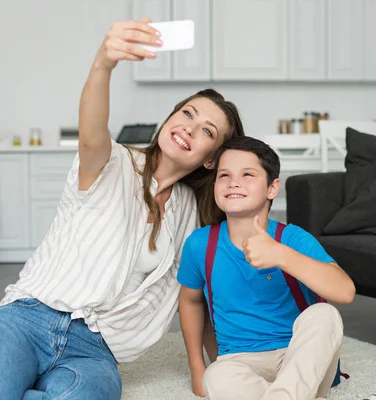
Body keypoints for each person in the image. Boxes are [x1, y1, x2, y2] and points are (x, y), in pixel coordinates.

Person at [0, 18, 244, 399]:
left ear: (211, 160)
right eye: (187, 114)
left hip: (94, 351)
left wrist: (221, 370)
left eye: (208, 131)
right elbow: (92, 132)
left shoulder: (192, 219)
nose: (190, 128)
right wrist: (104, 63)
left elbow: (202, 296)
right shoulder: (113, 163)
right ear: (171, 118)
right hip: (27, 318)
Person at [177, 136, 357, 399]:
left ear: (272, 188)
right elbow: (190, 302)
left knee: (325, 315)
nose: (233, 182)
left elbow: (345, 291)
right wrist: (197, 367)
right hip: (239, 359)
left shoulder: (292, 239)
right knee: (216, 377)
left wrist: (282, 256)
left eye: (248, 174)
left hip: (298, 356)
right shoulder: (199, 244)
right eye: (224, 175)